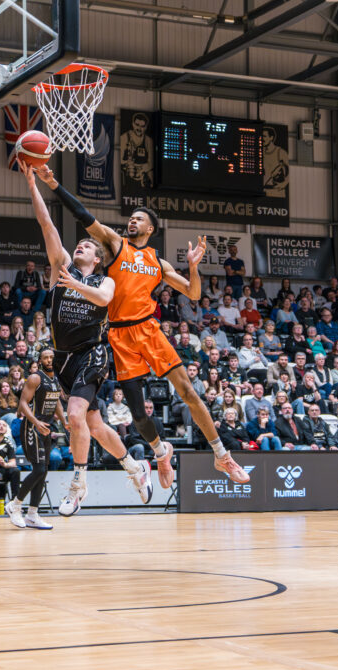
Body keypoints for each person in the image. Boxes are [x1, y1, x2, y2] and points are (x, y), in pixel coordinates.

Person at [30, 164, 248, 489]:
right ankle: (161, 452)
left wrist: (192, 267)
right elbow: (84, 216)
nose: (132, 220)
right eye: (131, 217)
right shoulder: (116, 245)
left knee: (188, 390)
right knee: (139, 415)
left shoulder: (158, 263)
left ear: (150, 228)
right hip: (119, 335)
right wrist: (53, 183)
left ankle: (221, 455)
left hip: (148, 329)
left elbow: (193, 292)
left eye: (139, 218)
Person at [20, 162, 152, 517]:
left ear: (98, 258)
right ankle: (135, 468)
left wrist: (75, 284)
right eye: (77, 244)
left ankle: (78, 485)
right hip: (63, 358)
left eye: (86, 246)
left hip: (92, 355)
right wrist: (33, 184)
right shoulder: (59, 265)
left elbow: (105, 300)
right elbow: (46, 224)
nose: (79, 247)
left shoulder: (105, 280)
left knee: (76, 416)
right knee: (93, 425)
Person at [3, 348, 64, 530]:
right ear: (40, 360)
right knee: (38, 470)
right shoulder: (35, 378)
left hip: (45, 427)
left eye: (52, 357)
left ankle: (32, 514)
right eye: (45, 357)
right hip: (32, 427)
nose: (49, 360)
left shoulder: (56, 379)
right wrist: (36, 422)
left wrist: (64, 421)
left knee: (43, 471)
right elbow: (22, 403)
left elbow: (56, 401)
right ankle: (15, 505)